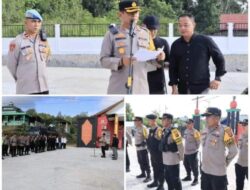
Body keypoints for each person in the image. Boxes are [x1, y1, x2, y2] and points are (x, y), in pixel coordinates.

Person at [100, 0, 157, 94]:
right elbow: (103, 60)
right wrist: (121, 61)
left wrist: (159, 58)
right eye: (130, 12)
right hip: (119, 88)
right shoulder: (111, 34)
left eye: (136, 12)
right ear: (120, 14)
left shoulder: (146, 33)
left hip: (140, 89)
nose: (134, 15)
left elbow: (152, 60)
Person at [169, 13, 226, 94]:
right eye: (180, 25)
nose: (182, 28)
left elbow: (219, 59)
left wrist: (217, 78)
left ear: (193, 25)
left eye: (186, 25)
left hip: (201, 89)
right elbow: (173, 68)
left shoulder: (205, 41)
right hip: (182, 89)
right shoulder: (175, 45)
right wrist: (174, 87)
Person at [7, 9, 51, 94]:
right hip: (26, 89)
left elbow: (46, 60)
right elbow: (11, 65)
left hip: (44, 88)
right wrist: (21, 78)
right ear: (26, 23)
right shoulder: (16, 42)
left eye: (39, 22)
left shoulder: (44, 41)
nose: (36, 24)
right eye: (33, 21)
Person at [200, 107, 238, 190]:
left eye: (208, 116)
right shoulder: (205, 130)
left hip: (218, 174)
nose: (206, 119)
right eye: (205, 116)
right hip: (205, 172)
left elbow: (234, 151)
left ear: (217, 118)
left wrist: (225, 163)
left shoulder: (225, 131)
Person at [143, 15, 170, 94]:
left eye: (155, 29)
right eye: (150, 29)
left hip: (158, 82)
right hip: (141, 80)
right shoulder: (139, 42)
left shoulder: (163, 43)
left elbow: (170, 63)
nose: (153, 32)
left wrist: (161, 61)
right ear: (144, 28)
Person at [159, 113, 184, 190]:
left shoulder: (175, 132)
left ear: (169, 120)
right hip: (165, 160)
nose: (162, 121)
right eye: (162, 119)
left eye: (164, 119)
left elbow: (180, 145)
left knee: (175, 180)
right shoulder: (163, 130)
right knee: (168, 179)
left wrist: (181, 158)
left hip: (173, 161)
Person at [146, 114, 164, 190]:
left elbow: (161, 142)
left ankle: (161, 185)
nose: (148, 121)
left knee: (160, 169)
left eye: (149, 120)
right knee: (155, 168)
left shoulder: (159, 130)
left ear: (154, 120)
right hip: (152, 153)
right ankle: (155, 181)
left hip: (158, 154)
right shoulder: (150, 129)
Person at [182, 119, 200, 186]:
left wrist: (194, 149)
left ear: (192, 124)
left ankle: (196, 179)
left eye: (189, 123)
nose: (187, 124)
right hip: (186, 152)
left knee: (194, 166)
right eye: (187, 123)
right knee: (185, 164)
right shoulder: (186, 131)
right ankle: (188, 176)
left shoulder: (195, 132)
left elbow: (198, 142)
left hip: (193, 152)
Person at [134, 116, 152, 182]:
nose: (134, 122)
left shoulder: (143, 128)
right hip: (138, 149)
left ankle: (149, 176)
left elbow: (147, 138)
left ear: (140, 121)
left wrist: (142, 143)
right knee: (140, 162)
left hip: (143, 149)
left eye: (136, 120)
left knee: (145, 162)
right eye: (134, 121)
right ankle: (143, 173)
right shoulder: (137, 128)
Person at [235, 119, 248, 190]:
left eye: (245, 124)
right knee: (239, 185)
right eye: (242, 124)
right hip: (240, 164)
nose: (243, 126)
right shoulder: (241, 135)